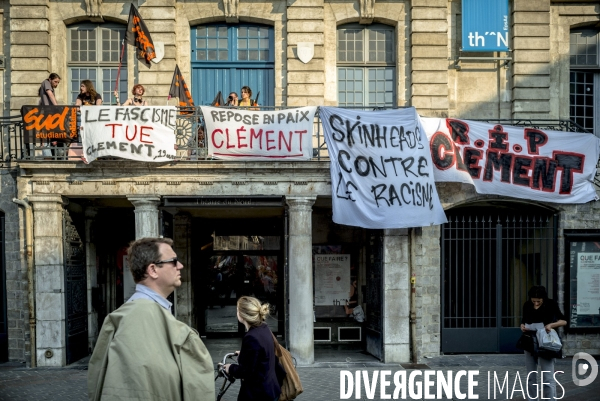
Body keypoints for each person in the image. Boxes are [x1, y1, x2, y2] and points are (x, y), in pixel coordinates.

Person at [88, 237, 215, 401]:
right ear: (153, 270)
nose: (180, 266)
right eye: (173, 261)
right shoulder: (137, 319)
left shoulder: (134, 315)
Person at [223, 296, 281, 401]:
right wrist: (244, 354)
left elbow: (246, 371)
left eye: (237, 310)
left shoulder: (251, 337)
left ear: (242, 315)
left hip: (258, 394)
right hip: (271, 389)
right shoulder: (264, 328)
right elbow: (263, 353)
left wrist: (229, 368)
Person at [520, 285, 566, 401]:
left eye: (538, 301)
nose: (535, 303)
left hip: (546, 344)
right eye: (534, 301)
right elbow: (523, 321)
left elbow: (563, 321)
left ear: (543, 299)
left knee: (547, 376)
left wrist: (551, 325)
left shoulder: (550, 304)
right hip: (529, 342)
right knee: (531, 376)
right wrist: (522, 327)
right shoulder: (527, 305)